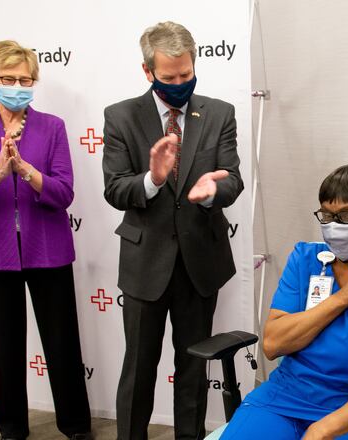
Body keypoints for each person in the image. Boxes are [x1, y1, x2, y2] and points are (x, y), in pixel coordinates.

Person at [102, 21, 243, 440]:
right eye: (169, 77)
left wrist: (213, 189)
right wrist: (153, 178)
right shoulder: (121, 116)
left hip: (201, 263)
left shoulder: (219, 112)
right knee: (139, 368)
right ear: (148, 72)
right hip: (146, 263)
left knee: (194, 367)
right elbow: (114, 188)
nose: (180, 83)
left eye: (186, 74)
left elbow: (232, 179)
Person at [0, 40, 91, 440]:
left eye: (25, 79)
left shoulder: (52, 128)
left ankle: (76, 426)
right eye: (8, 78)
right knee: (6, 348)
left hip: (49, 252)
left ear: (35, 81)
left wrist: (26, 169)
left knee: (63, 346)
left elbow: (64, 193)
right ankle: (11, 428)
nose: (17, 85)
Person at [220, 164, 348, 440]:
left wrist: (323, 428)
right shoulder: (306, 260)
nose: (335, 226)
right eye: (328, 215)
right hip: (285, 397)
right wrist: (343, 298)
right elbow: (273, 344)